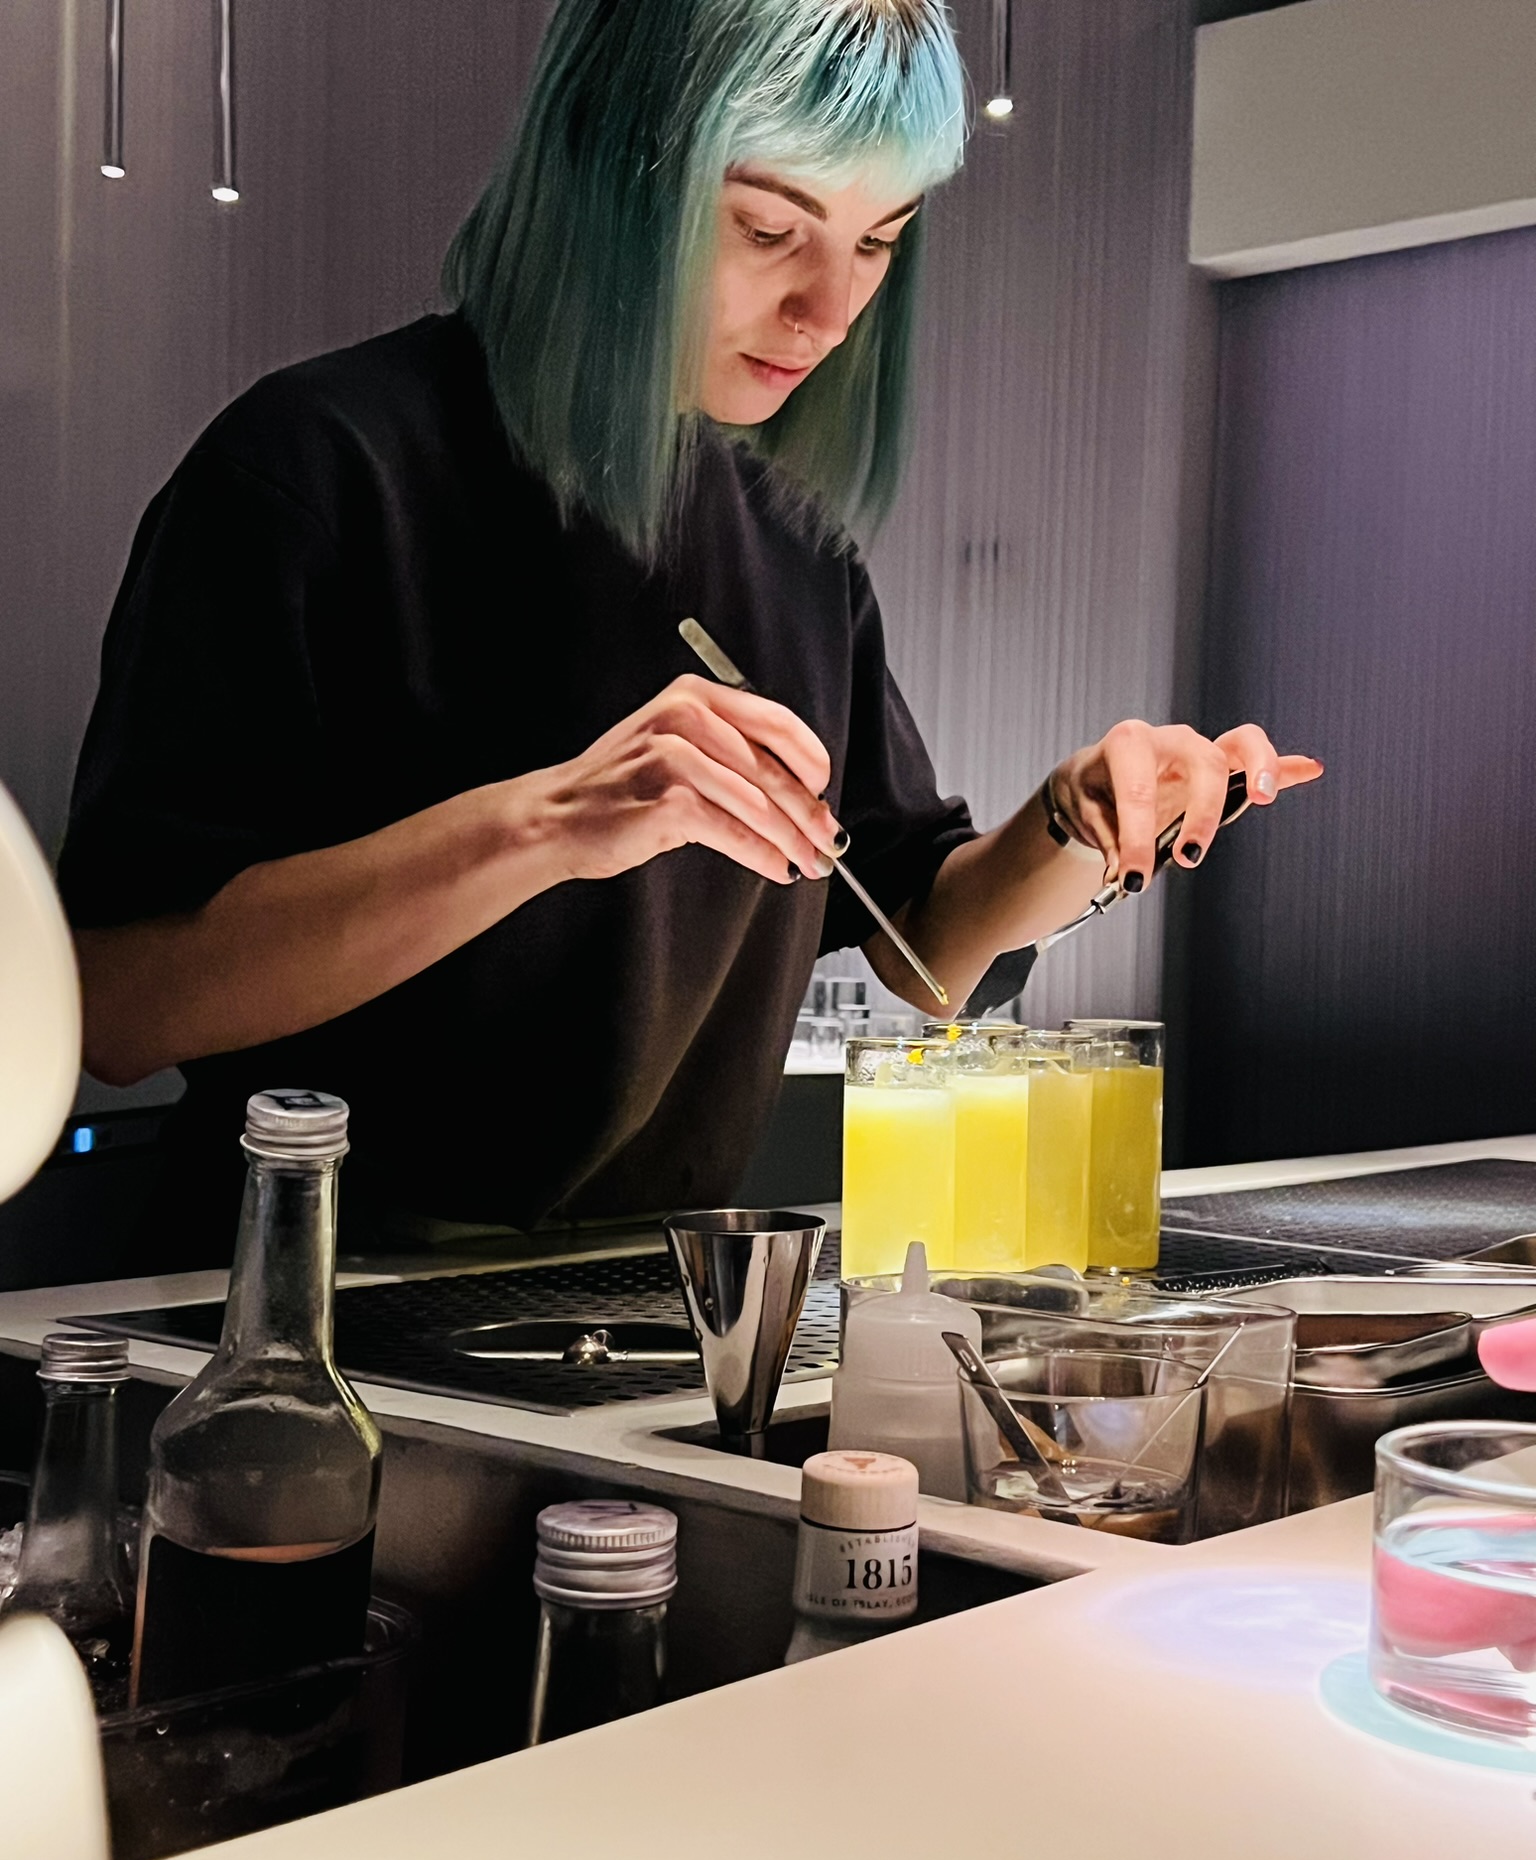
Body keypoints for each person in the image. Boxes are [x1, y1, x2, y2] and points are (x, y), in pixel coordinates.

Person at [59, 0, 1319, 1263]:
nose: (830, 311)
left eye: (878, 241)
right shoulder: (318, 469)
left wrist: (1074, 818)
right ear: (610, 169)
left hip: (648, 1301)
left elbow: (922, 944)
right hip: (293, 1302)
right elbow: (117, 1006)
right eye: (769, 230)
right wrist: (550, 823)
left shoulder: (794, 542)